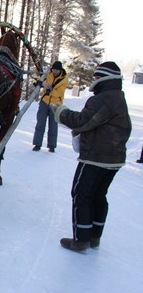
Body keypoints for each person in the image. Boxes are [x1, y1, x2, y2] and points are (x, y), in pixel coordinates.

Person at [52, 61, 132, 251]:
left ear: (103, 79)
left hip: (96, 158)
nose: (94, 80)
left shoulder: (102, 99)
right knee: (98, 195)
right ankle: (94, 236)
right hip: (114, 159)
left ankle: (81, 240)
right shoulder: (118, 97)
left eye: (96, 77)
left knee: (81, 195)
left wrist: (61, 112)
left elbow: (82, 121)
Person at [32, 60, 68, 152]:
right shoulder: (48, 74)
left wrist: (50, 89)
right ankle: (37, 144)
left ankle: (51, 146)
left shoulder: (64, 79)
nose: (55, 71)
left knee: (53, 125)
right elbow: (37, 80)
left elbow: (59, 92)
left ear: (60, 70)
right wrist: (42, 83)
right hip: (44, 101)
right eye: (54, 69)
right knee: (40, 123)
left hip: (55, 104)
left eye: (57, 70)